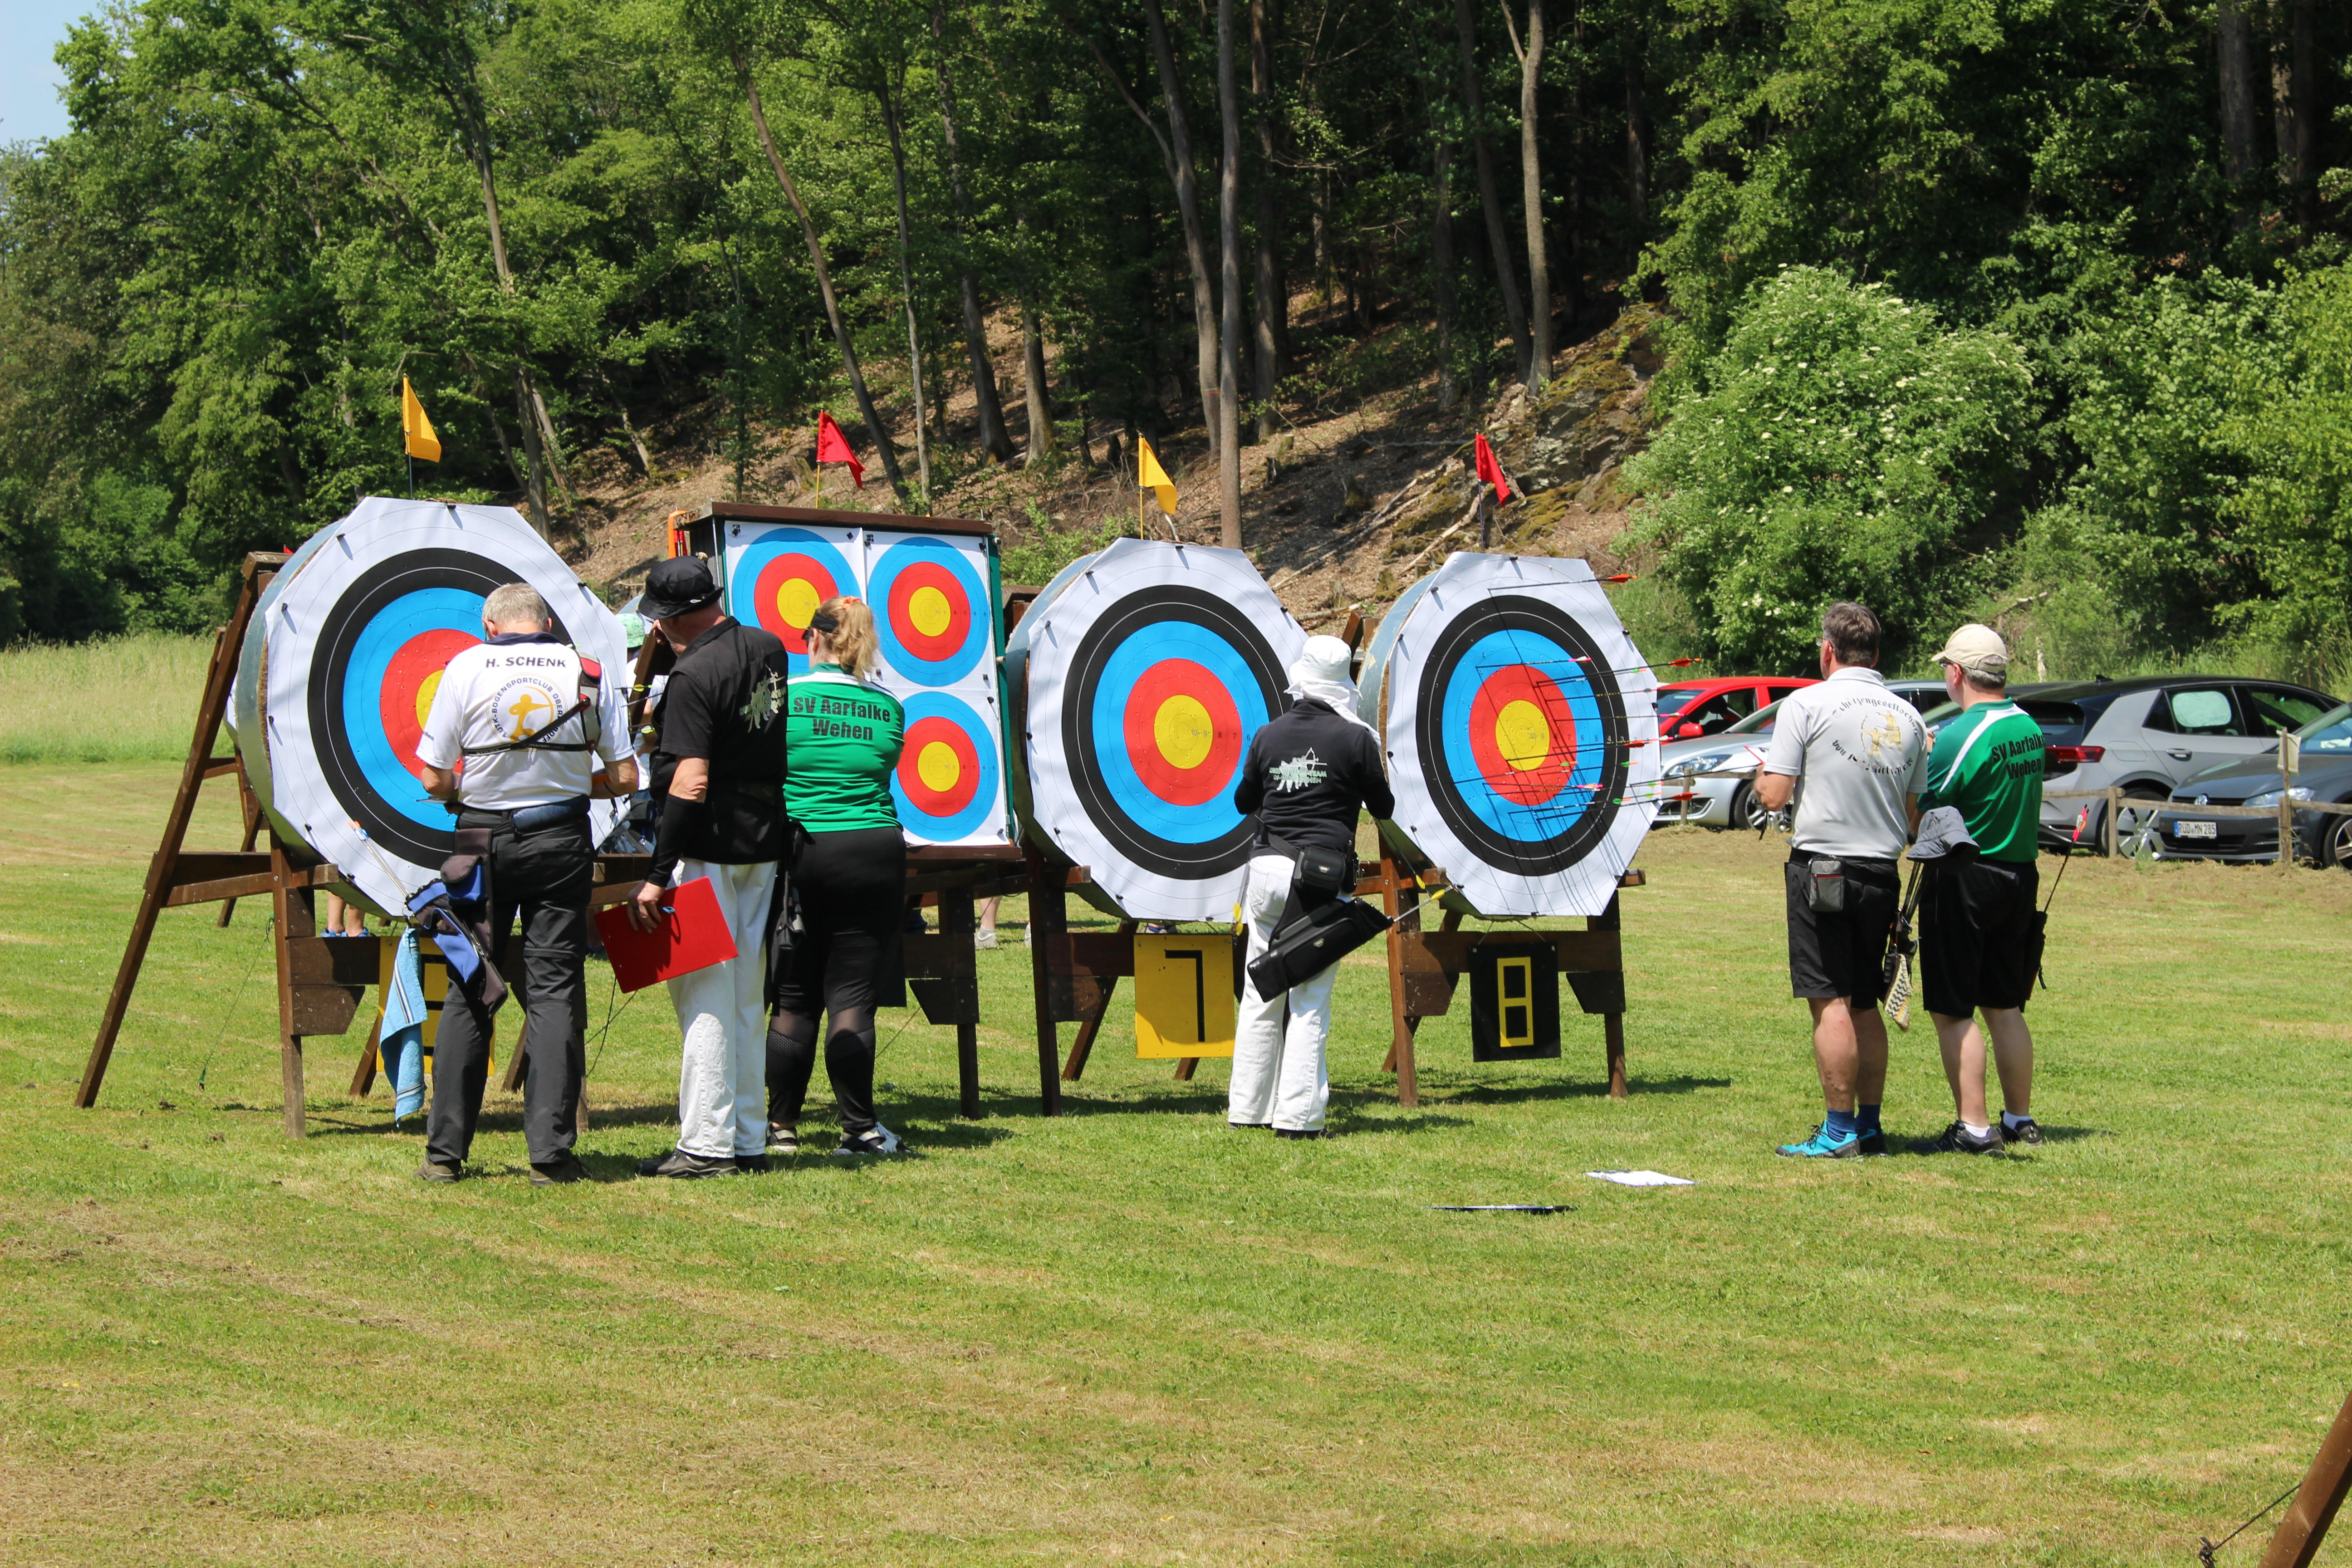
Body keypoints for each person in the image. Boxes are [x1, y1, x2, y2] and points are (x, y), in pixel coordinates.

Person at [414, 583, 636, 1185]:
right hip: (560, 839)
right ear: (547, 624)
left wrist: (463, 789)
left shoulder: (465, 667)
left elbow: (433, 780)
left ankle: (444, 1156)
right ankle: (551, 1157)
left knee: (470, 983)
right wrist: (571, 785)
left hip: (481, 842)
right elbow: (624, 777)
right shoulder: (587, 672)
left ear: (491, 626)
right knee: (555, 988)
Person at [627, 556, 791, 1179]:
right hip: (763, 840)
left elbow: (691, 781)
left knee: (705, 994)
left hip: (708, 847)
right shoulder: (769, 647)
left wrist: (657, 872)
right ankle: (747, 1138)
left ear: (670, 619)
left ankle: (704, 1144)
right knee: (747, 992)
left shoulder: (693, 673)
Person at [1755, 602, 1930, 1158]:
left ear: (1829, 650)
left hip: (1823, 870)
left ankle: (1838, 1132)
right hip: (1881, 871)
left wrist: (1760, 775)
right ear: (1875, 655)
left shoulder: (1805, 703)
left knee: (1829, 999)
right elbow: (1914, 814)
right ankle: (1870, 1128)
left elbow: (1774, 795)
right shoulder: (1911, 717)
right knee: (1864, 1002)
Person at [1228, 634, 1395, 1139]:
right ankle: (1298, 1119)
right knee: (1308, 997)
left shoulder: (1268, 734)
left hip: (1266, 872)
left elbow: (1243, 801)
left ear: (1302, 679)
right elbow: (1384, 808)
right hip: (1319, 880)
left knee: (1261, 988)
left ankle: (1248, 1110)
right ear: (1343, 684)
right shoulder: (1357, 738)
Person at [764, 598, 909, 1156]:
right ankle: (860, 1130)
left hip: (801, 851)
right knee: (852, 996)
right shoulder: (889, 707)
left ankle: (780, 1128)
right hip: (872, 852)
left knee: (794, 996)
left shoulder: (784, 698)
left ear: (813, 638)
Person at [1916, 623, 2045, 1153]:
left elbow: (1928, 808)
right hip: (2019, 874)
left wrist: (1929, 754)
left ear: (1956, 673)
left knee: (1953, 1009)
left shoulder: (1960, 733)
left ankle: (1973, 1127)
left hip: (1967, 875)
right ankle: (2020, 1119)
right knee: (2004, 1003)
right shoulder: (2028, 725)